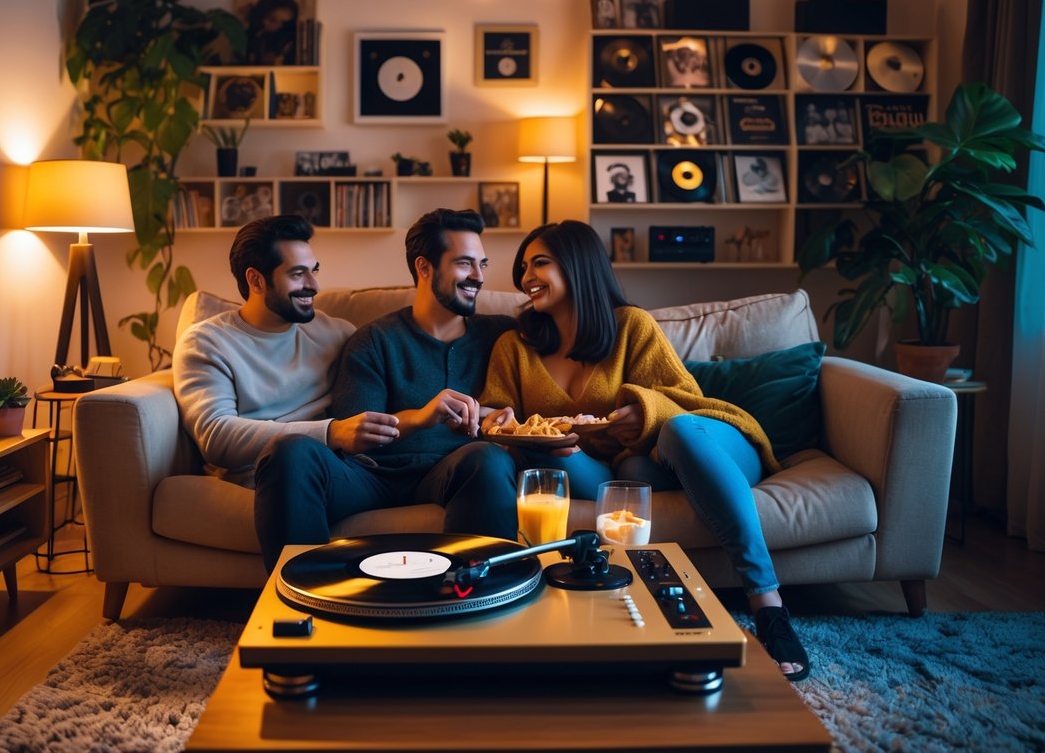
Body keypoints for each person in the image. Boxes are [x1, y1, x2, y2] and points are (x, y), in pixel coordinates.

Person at [478, 220, 810, 681]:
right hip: (622, 466)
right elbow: (497, 410)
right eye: (522, 266)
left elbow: (686, 397)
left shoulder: (632, 326)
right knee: (599, 465)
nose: (525, 276)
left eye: (540, 263)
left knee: (675, 431)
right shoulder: (514, 346)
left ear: (577, 267)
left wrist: (645, 409)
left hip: (707, 445)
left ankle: (767, 604)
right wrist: (510, 424)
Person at [253, 208, 519, 571]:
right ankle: (305, 601)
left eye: (482, 264)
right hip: (371, 476)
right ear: (424, 268)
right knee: (289, 450)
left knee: (489, 460)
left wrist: (500, 418)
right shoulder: (375, 340)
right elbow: (353, 433)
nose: (478, 277)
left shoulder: (500, 335)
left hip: (453, 471)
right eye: (464, 263)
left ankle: (477, 600)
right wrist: (422, 417)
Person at [173, 213, 399, 494]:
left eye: (313, 270)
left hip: (336, 473)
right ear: (256, 281)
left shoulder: (336, 333)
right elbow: (216, 435)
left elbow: (393, 379)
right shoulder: (207, 342)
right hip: (269, 476)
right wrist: (331, 432)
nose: (314, 285)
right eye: (297, 273)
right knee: (291, 455)